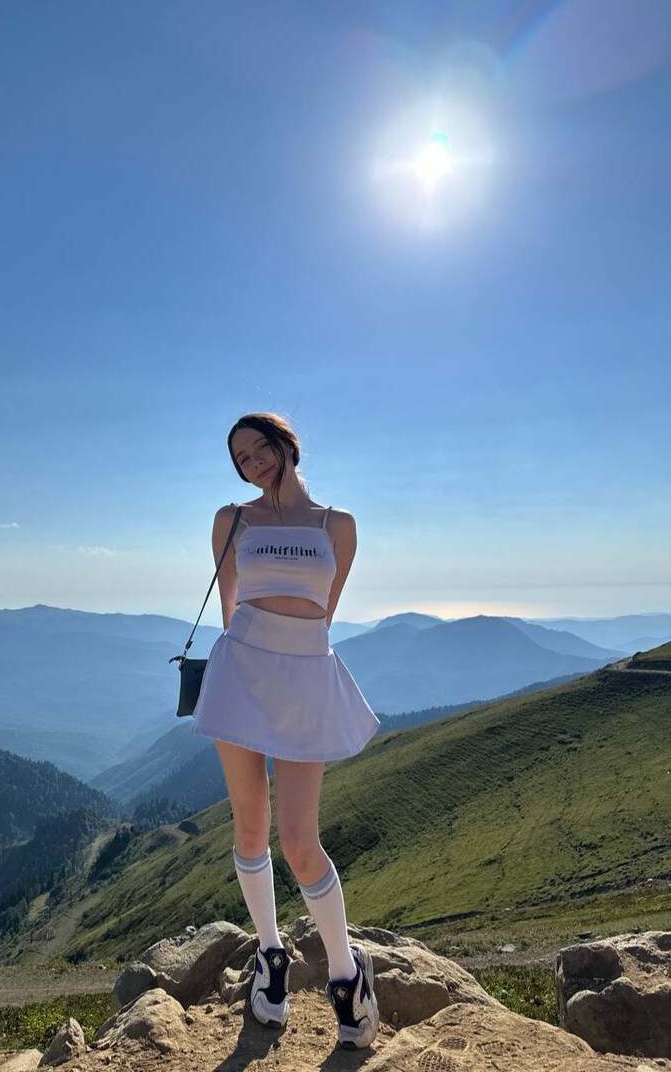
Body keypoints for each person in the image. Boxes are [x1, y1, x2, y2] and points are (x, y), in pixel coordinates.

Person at [190, 411, 381, 1049]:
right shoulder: (231, 520)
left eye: (260, 448)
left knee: (300, 841)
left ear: (286, 444)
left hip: (304, 673)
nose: (254, 463)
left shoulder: (337, 525)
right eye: (241, 458)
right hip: (241, 670)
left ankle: (347, 973)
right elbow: (230, 608)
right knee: (250, 827)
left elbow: (324, 610)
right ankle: (270, 954)